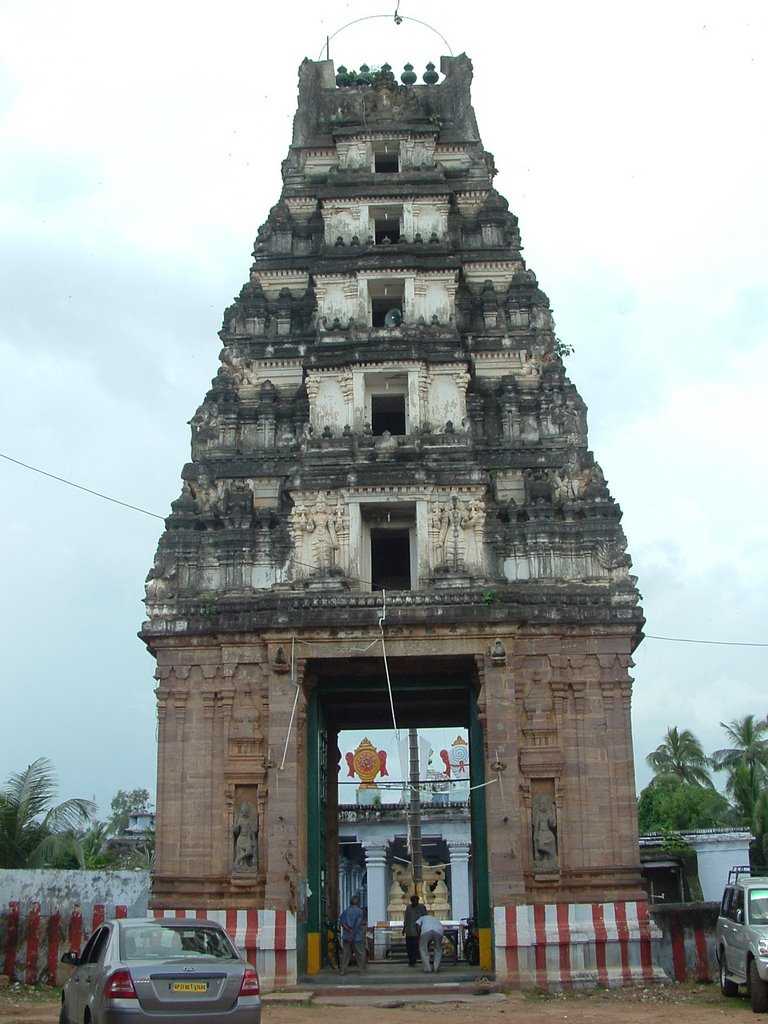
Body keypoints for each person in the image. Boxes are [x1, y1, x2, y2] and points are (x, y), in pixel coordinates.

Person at [339, 895, 367, 975]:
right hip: (357, 937)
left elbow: (342, 923)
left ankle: (343, 970)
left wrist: (348, 930)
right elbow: (358, 924)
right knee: (360, 954)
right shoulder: (360, 911)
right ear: (358, 903)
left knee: (345, 954)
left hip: (346, 937)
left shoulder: (346, 911)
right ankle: (361, 970)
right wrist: (353, 933)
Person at [402, 893, 427, 967]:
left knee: (415, 947)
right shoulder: (408, 908)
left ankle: (414, 960)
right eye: (413, 900)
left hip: (417, 932)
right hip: (409, 931)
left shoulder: (421, 907)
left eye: (415, 900)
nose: (414, 902)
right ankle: (411, 960)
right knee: (409, 947)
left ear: (418, 901)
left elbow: (425, 918)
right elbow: (406, 918)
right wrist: (404, 928)